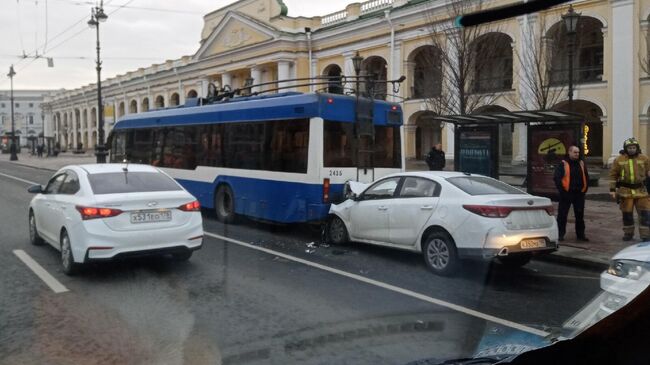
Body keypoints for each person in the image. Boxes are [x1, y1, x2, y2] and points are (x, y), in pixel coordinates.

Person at [609, 138, 650, 241]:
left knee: (645, 214)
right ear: (625, 148)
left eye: (633, 147)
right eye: (629, 148)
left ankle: (645, 235)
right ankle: (628, 234)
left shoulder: (644, 158)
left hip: (641, 191)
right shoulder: (619, 159)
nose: (632, 149)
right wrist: (612, 190)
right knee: (627, 215)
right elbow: (613, 175)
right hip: (625, 192)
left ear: (637, 148)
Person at [553, 145, 589, 242]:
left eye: (578, 152)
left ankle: (581, 235)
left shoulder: (581, 163)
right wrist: (563, 191)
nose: (577, 154)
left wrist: (584, 190)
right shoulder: (563, 163)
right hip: (566, 194)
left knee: (580, 215)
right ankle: (560, 234)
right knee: (562, 215)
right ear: (569, 152)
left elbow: (586, 176)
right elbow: (557, 178)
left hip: (579, 194)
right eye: (575, 152)